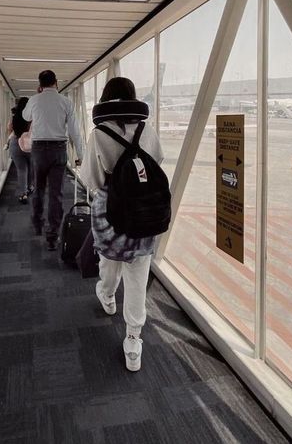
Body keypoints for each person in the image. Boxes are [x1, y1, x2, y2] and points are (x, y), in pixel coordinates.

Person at [80, 77, 163, 372]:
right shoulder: (147, 129)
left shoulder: (99, 133)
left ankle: (107, 295)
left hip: (110, 213)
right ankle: (133, 339)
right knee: (138, 274)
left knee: (110, 262)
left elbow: (91, 179)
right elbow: (158, 161)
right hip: (144, 211)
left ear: (105, 98)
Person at [22, 70, 83, 251]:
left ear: (39, 84)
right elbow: (75, 132)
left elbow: (26, 117)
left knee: (38, 188)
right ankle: (52, 235)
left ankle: (37, 223)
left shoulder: (34, 100)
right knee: (56, 194)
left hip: (39, 149)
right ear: (56, 82)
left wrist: (38, 98)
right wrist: (81, 155)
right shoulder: (66, 102)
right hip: (59, 150)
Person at [7, 98, 33, 204]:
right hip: (29, 145)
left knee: (21, 169)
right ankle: (30, 187)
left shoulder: (14, 116)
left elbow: (9, 129)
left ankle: (23, 194)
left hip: (15, 143)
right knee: (31, 167)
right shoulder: (32, 116)